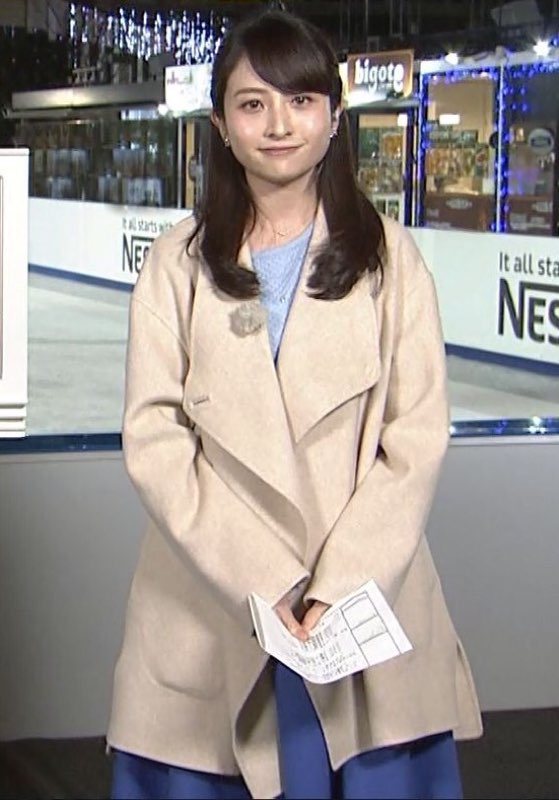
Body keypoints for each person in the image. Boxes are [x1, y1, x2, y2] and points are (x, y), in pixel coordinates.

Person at [107, 9, 482, 800]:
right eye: (252, 104)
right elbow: (154, 438)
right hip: (214, 603)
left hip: (356, 606)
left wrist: (335, 586)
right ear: (220, 123)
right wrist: (264, 577)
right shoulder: (174, 266)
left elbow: (414, 438)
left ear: (334, 116)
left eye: (301, 100)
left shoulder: (391, 261)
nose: (278, 125)